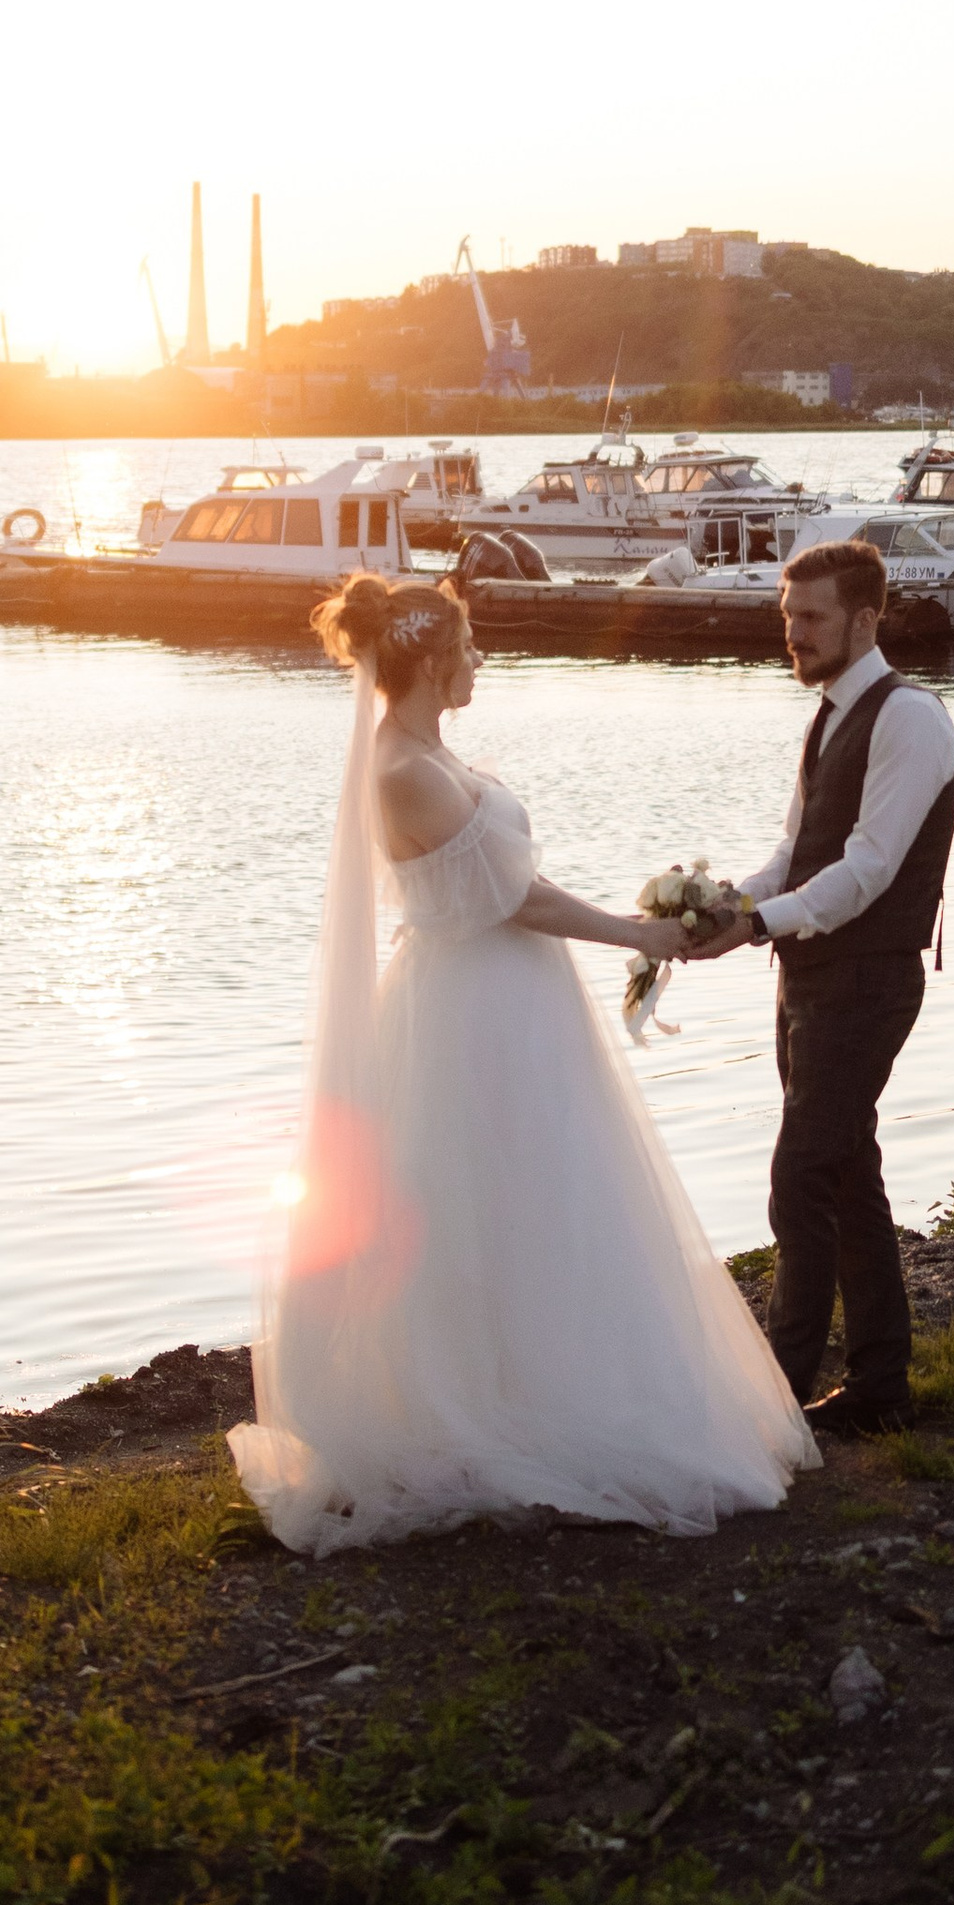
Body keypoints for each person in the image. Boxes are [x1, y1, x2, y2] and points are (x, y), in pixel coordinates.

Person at [229, 572, 820, 1554]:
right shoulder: (399, 772)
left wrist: (632, 922)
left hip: (514, 999)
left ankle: (549, 1378)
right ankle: (479, 1405)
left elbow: (517, 880)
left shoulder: (430, 752)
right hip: (467, 1012)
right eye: (467, 646)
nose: (479, 661)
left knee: (546, 1195)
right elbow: (514, 902)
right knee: (478, 1200)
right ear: (427, 658)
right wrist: (637, 932)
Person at [684, 534, 954, 1436]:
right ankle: (881, 1387)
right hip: (808, 980)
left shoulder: (911, 718)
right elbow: (795, 857)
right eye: (787, 617)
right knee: (844, 1174)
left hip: (869, 982)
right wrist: (722, 903)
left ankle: (774, 1403)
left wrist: (757, 924)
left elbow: (871, 868)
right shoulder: (829, 713)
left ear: (865, 618)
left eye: (810, 618)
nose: (793, 634)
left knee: (799, 1178)